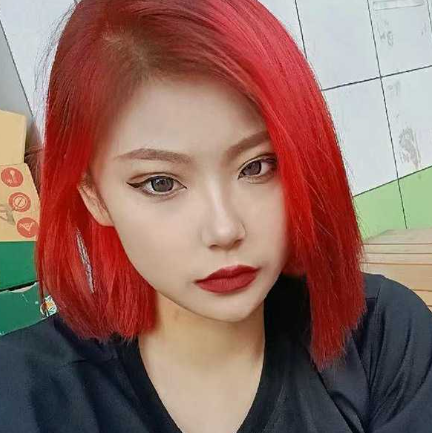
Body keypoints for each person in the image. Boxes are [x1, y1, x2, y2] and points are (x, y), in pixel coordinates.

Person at [1, 0, 432, 432]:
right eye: (160, 183)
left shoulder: (381, 337)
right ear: (94, 196)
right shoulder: (23, 394)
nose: (224, 229)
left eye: (257, 166)